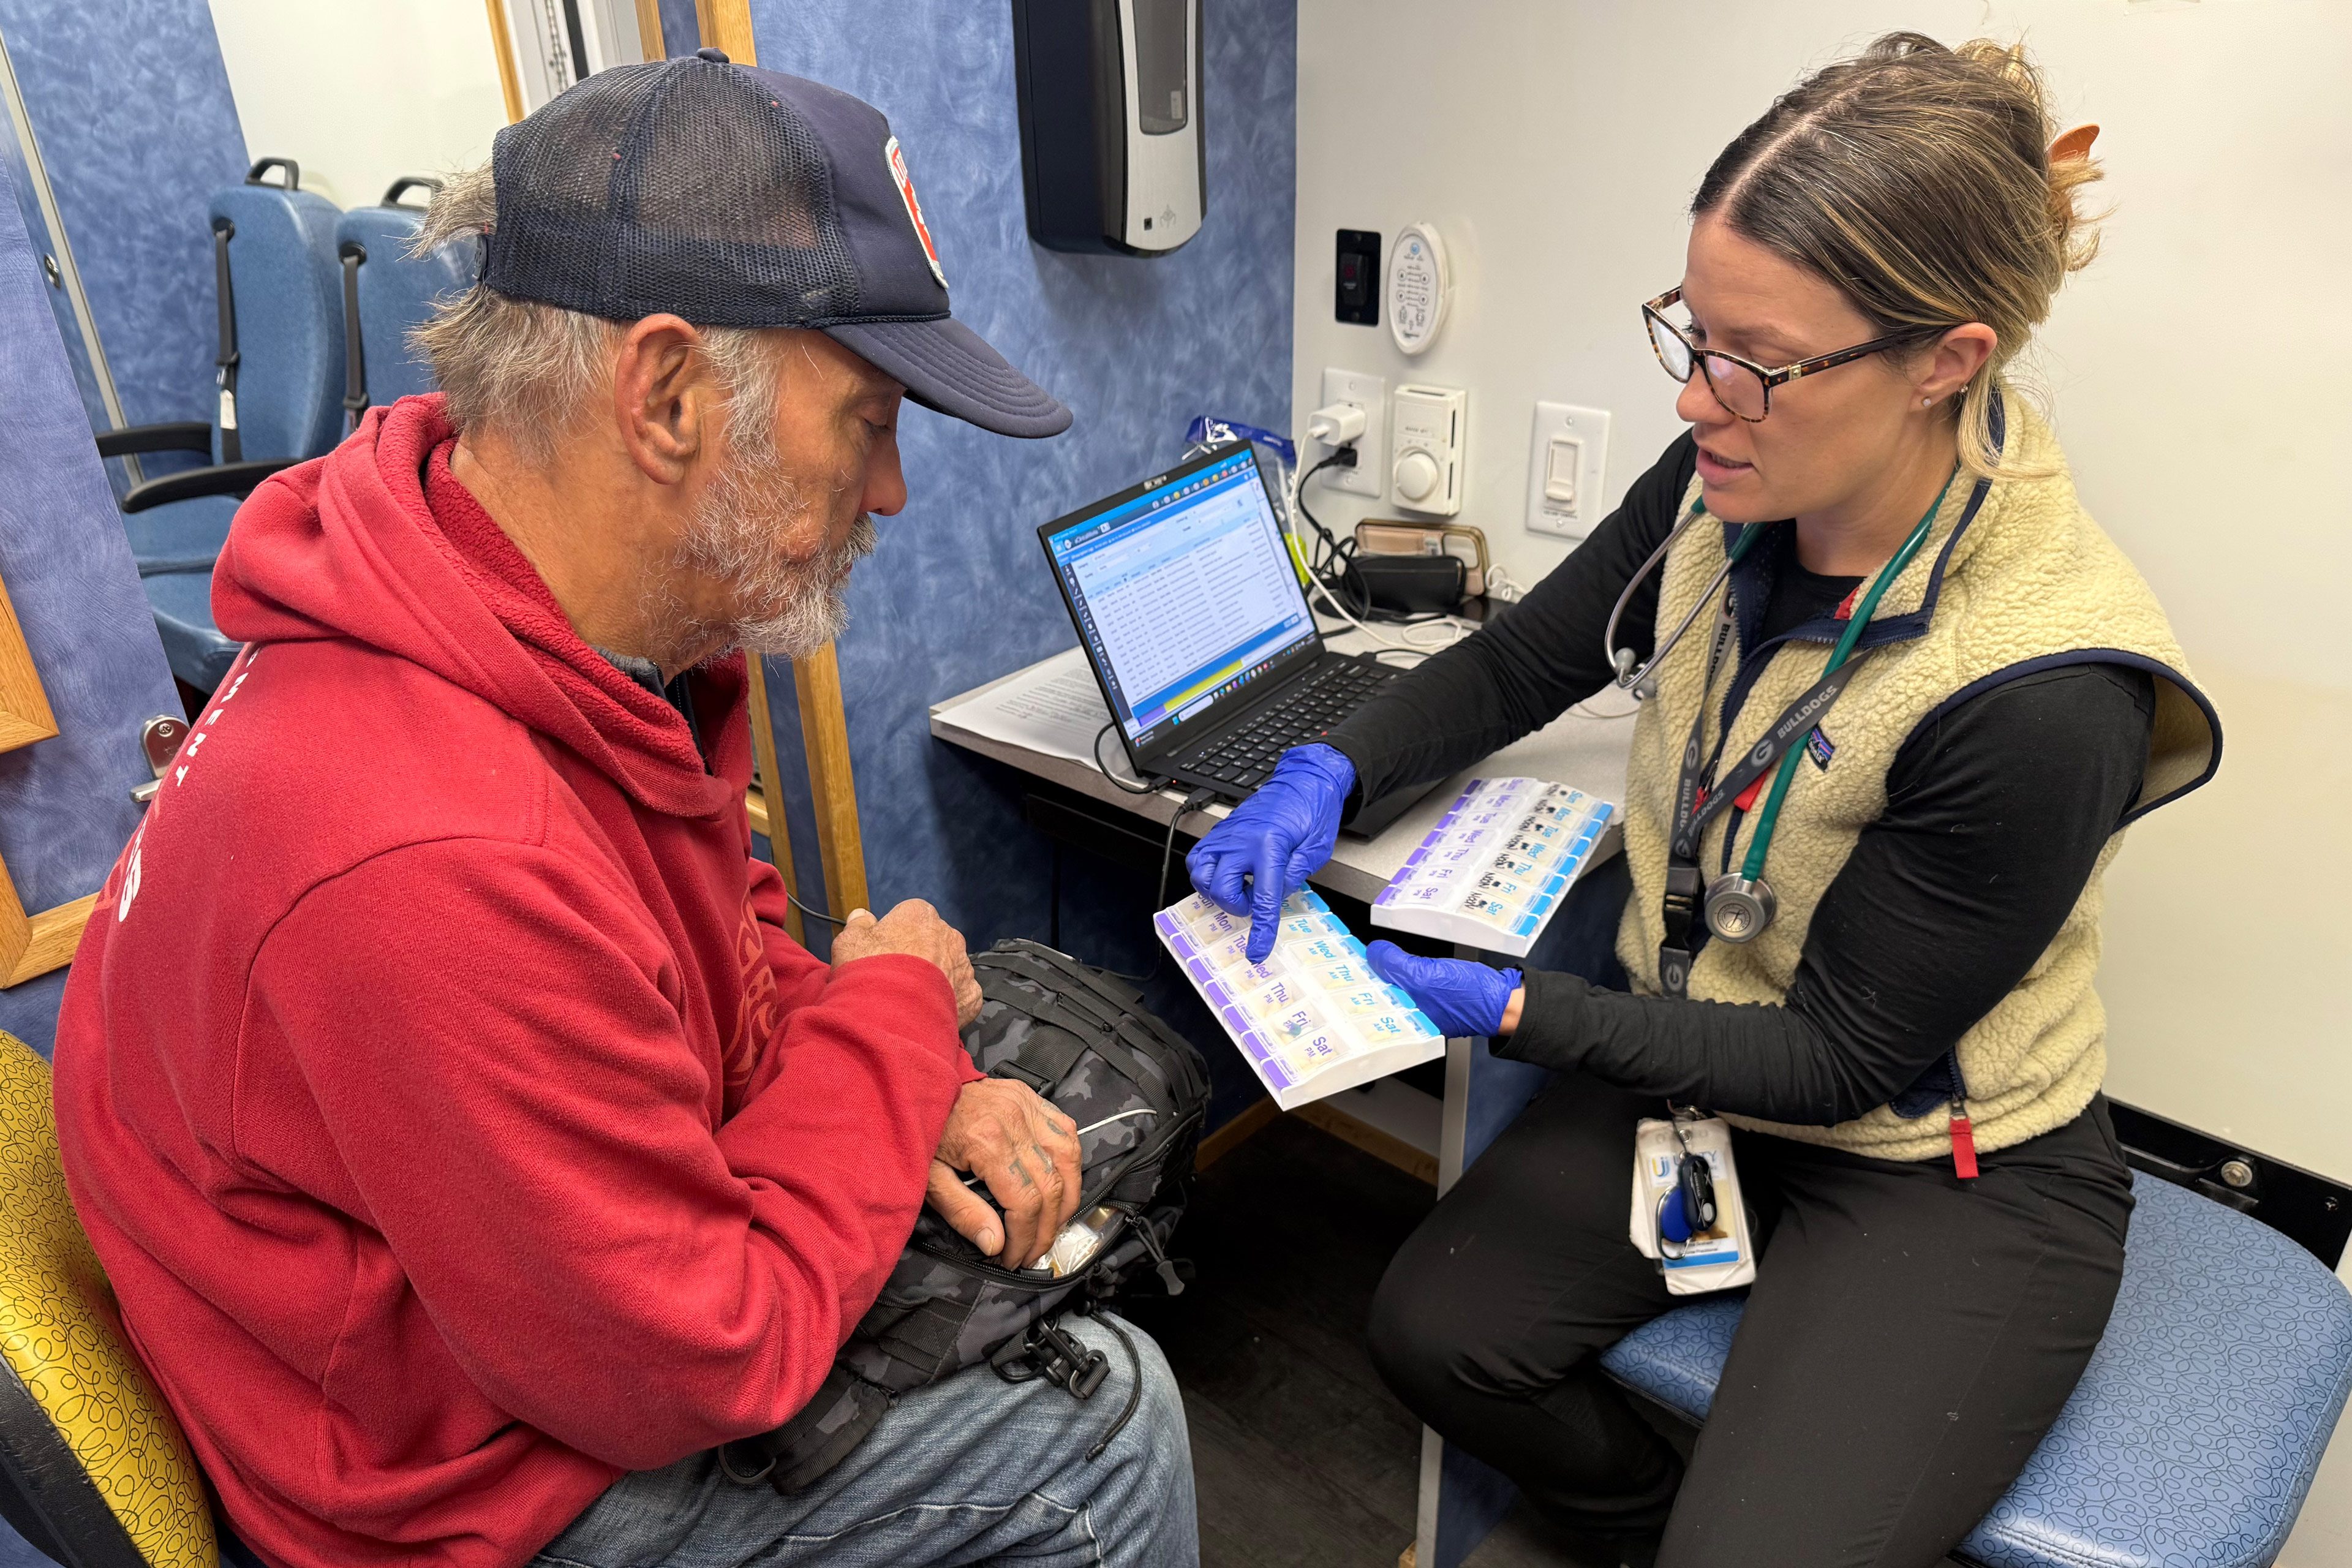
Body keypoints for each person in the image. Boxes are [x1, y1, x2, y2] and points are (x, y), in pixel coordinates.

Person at [52, 51, 1196, 1568]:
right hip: (444, 1496)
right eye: (867, 418)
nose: (897, 486)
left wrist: (894, 1059)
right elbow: (707, 1358)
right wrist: (903, 1021)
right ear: (664, 395)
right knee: (1106, 1424)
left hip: (518, 1306)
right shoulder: (421, 849)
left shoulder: (533, 618)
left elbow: (708, 930)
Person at [1187, 33, 2217, 1568]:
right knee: (1436, 1332)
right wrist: (1319, 771)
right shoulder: (1724, 490)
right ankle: (1641, 1526)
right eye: (1692, 329)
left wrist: (1523, 1013)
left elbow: (1841, 1058)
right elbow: (1526, 656)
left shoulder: (2046, 683)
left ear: (1947, 357)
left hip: (1943, 1153)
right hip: (1712, 1062)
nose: (1696, 400)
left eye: (1759, 360)